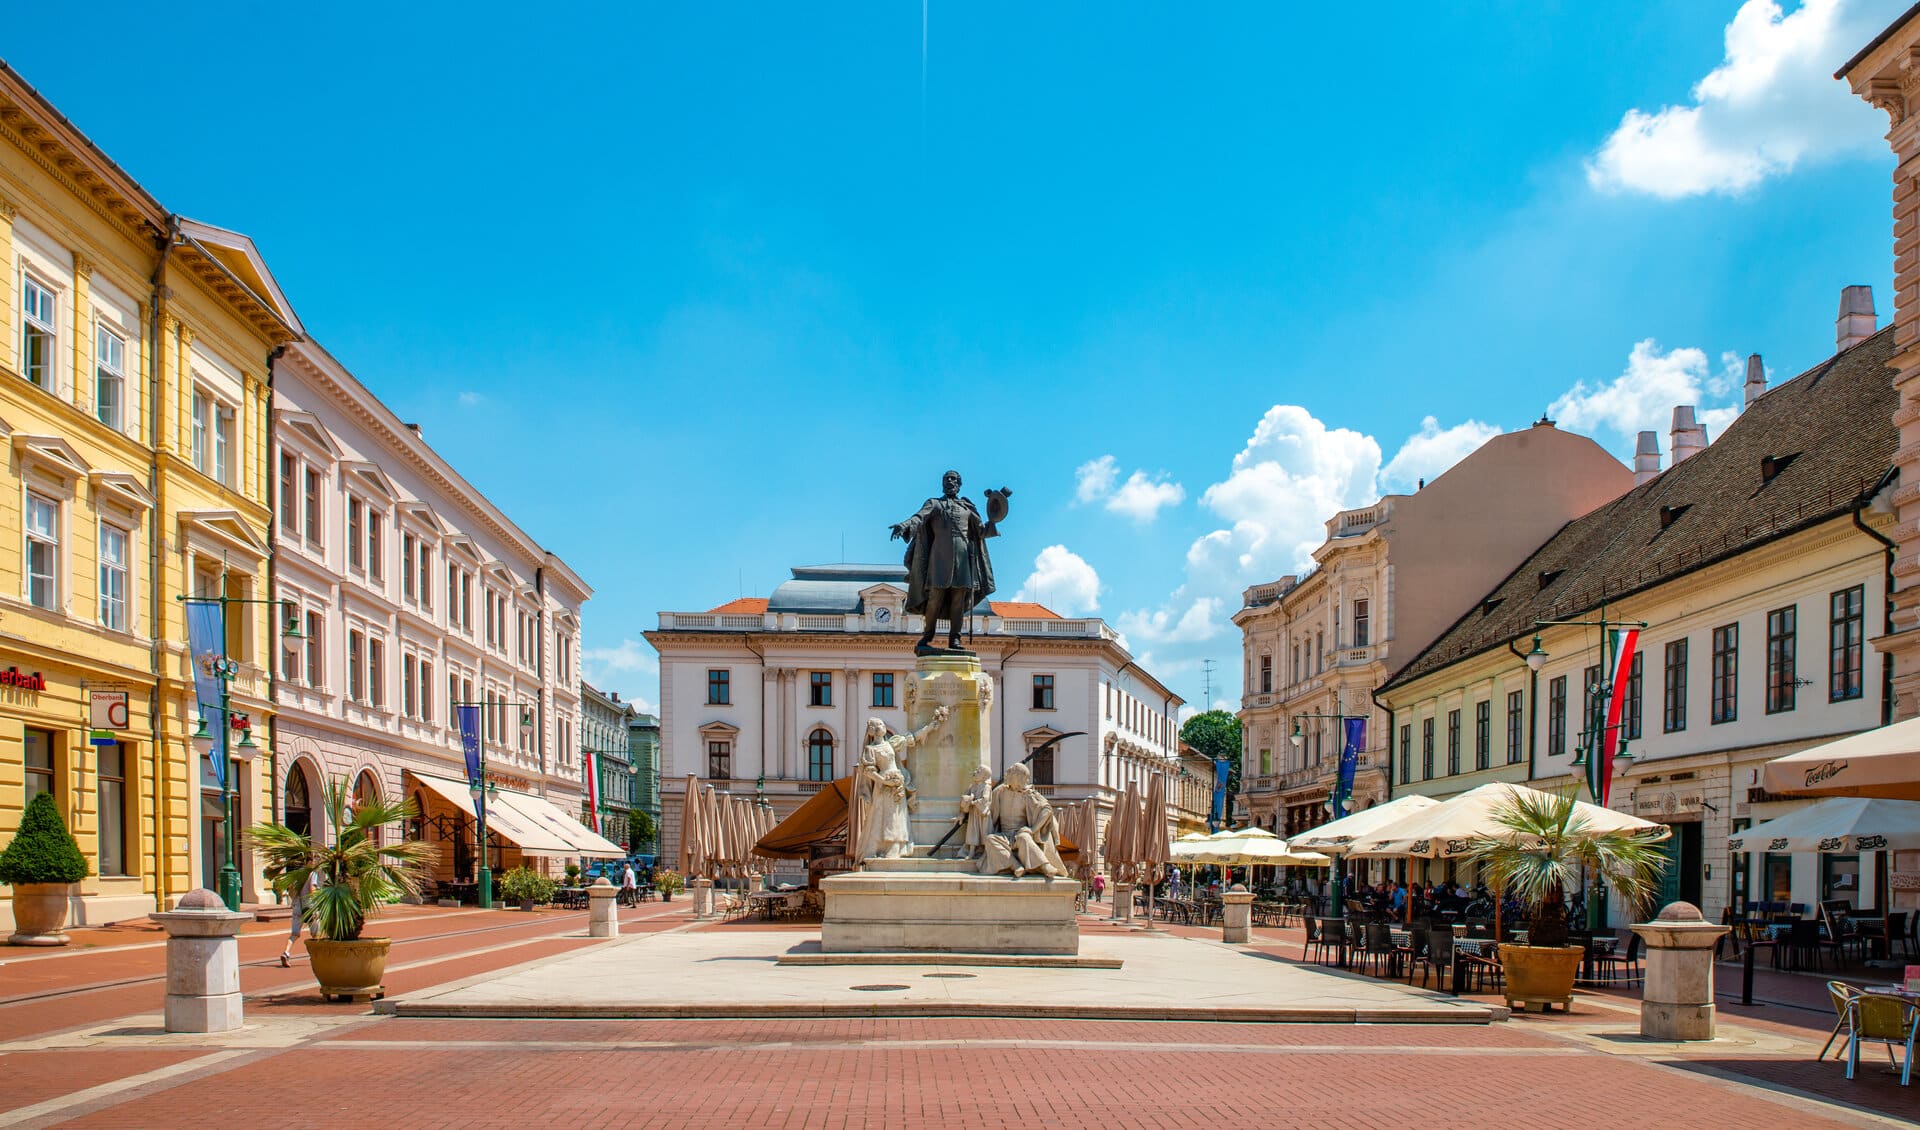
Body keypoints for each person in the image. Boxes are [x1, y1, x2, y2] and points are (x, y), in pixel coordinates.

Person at [279, 870, 317, 968]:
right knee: (315, 934)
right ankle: (315, 956)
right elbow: (312, 889)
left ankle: (286, 952)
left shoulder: (296, 873)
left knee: (294, 934)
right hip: (309, 906)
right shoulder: (312, 873)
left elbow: (291, 890)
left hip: (297, 905)